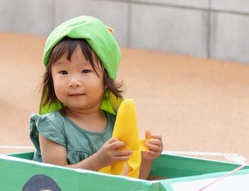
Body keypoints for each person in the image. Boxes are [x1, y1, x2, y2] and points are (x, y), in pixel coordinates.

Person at [30, 16, 164, 180]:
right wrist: (99, 160)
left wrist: (146, 158)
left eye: (85, 71)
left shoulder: (117, 125)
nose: (73, 82)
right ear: (50, 80)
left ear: (106, 79)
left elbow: (133, 182)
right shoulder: (52, 126)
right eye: (63, 72)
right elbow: (58, 179)